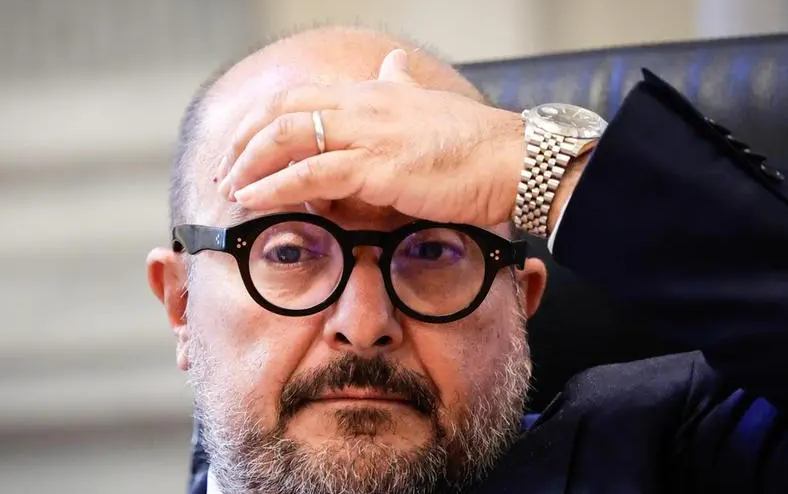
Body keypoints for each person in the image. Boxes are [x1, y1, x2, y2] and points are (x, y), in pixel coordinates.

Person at [146, 26, 788, 494]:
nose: (364, 324)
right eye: (287, 251)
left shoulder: (682, 456)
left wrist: (542, 167)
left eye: (432, 251)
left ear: (522, 304)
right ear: (181, 304)